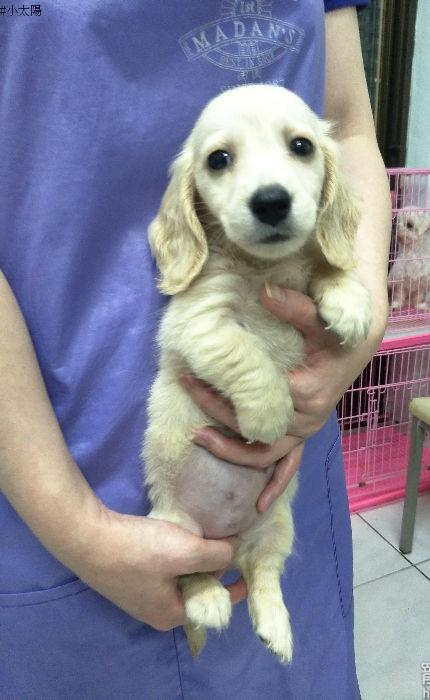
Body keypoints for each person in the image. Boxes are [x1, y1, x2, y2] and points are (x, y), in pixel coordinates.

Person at [0, 1, 391, 697]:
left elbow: (348, 123)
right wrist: (78, 528)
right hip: (49, 462)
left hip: (289, 445)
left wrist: (358, 310)